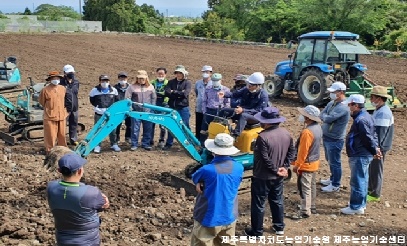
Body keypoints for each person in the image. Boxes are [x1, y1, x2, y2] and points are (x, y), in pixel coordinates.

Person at [244, 107, 295, 237]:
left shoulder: (263, 137)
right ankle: (279, 227)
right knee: (277, 200)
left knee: (258, 203)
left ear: (267, 122)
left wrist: (275, 169)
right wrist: (284, 167)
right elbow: (292, 152)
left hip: (262, 176)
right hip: (278, 176)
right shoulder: (286, 133)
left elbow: (264, 158)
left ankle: (257, 231)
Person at [191, 133, 243, 246]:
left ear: (213, 150)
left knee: (202, 242)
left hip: (209, 216)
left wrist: (199, 182)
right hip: (229, 214)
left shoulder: (207, 170)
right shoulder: (239, 167)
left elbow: (195, 177)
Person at [47, 152, 110, 245]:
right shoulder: (91, 192)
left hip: (62, 241)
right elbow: (102, 205)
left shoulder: (51, 187)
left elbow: (60, 186)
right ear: (80, 171)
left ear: (59, 170)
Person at [342, 94, 380, 215]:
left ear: (356, 105)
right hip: (362, 153)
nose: (349, 107)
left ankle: (356, 206)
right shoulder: (366, 116)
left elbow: (367, 137)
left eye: (350, 105)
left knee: (357, 180)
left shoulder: (361, 120)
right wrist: (375, 149)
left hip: (359, 154)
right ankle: (360, 204)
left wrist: (374, 150)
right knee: (363, 179)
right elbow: (373, 135)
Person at [292, 105, 322, 219]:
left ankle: (305, 210)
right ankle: (312, 206)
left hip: (306, 164)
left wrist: (297, 165)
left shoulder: (307, 132)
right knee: (311, 185)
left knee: (305, 187)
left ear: (308, 118)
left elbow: (302, 152)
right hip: (314, 162)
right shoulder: (318, 128)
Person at [319, 82, 350, 192]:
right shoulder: (332, 103)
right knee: (330, 160)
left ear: (341, 93)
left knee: (335, 162)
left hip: (335, 139)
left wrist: (325, 117)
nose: (331, 94)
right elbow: (322, 114)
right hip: (327, 136)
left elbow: (327, 118)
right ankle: (332, 179)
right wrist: (325, 116)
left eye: (333, 92)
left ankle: (335, 184)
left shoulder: (343, 107)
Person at [368, 86, 394, 202]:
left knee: (376, 169)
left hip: (380, 147)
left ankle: (375, 194)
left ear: (379, 98)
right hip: (378, 146)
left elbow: (380, 134)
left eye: (372, 97)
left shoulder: (383, 113)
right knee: (373, 169)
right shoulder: (379, 109)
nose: (370, 99)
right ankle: (370, 189)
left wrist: (376, 149)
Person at [223, 72, 269, 136]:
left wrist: (243, 110)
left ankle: (234, 136)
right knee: (224, 110)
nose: (249, 86)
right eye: (248, 84)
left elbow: (259, 110)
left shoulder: (263, 95)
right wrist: (224, 94)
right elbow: (234, 94)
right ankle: (221, 130)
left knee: (244, 116)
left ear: (258, 85)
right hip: (243, 111)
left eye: (251, 85)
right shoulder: (246, 89)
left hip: (255, 117)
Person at [125, 70, 156, 151]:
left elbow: (153, 98)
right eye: (139, 78)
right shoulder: (131, 87)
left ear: (146, 78)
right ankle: (134, 144)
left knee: (148, 128)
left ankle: (145, 144)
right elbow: (127, 99)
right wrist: (130, 109)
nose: (141, 80)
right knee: (135, 129)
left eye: (142, 78)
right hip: (136, 111)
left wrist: (152, 108)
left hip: (147, 111)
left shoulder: (150, 87)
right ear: (137, 78)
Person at [39, 71, 68, 155]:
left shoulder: (63, 89)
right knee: (50, 135)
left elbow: (66, 100)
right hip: (50, 116)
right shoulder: (45, 90)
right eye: (54, 78)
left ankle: (63, 151)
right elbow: (42, 102)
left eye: (57, 78)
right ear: (50, 79)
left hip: (61, 115)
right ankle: (50, 151)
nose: (56, 80)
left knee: (62, 134)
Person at [89, 75, 120, 153]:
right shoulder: (94, 90)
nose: (105, 83)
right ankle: (97, 145)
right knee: (98, 129)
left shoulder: (114, 90)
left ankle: (114, 144)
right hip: (99, 114)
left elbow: (116, 101)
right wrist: (98, 108)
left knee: (112, 129)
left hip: (111, 114)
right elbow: (92, 101)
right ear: (100, 81)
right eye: (103, 81)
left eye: (106, 81)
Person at [163, 65, 192, 150]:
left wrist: (174, 92)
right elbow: (167, 93)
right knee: (171, 125)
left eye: (180, 73)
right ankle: (169, 143)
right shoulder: (171, 82)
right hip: (172, 107)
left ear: (184, 74)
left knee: (185, 125)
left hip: (183, 108)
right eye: (177, 73)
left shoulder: (187, 82)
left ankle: (188, 143)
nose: (179, 74)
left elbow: (185, 94)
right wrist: (179, 93)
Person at [201, 73, 230, 137]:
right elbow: (204, 101)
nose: (215, 82)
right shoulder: (208, 89)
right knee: (204, 129)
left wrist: (224, 112)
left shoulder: (225, 90)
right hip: (209, 111)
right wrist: (204, 111)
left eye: (217, 81)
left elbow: (227, 103)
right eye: (213, 81)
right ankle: (202, 144)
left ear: (220, 80)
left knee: (218, 129)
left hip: (220, 112)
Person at [60, 64, 80, 146]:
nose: (71, 74)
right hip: (64, 107)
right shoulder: (61, 83)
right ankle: (62, 141)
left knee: (74, 124)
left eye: (72, 72)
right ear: (64, 73)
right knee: (62, 125)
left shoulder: (76, 82)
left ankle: (73, 139)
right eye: (69, 72)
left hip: (74, 107)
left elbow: (75, 93)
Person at [150, 67, 169, 148]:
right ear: (156, 74)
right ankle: (150, 140)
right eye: (159, 73)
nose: (160, 75)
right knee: (151, 122)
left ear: (165, 74)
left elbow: (168, 94)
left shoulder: (168, 83)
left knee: (162, 124)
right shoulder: (152, 82)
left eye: (162, 74)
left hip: (163, 105)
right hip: (153, 104)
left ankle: (161, 140)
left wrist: (164, 99)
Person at [195, 65, 213, 141]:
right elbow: (196, 92)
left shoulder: (213, 84)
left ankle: (205, 142)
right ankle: (197, 141)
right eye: (204, 72)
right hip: (199, 108)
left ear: (211, 73)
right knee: (198, 125)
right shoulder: (198, 83)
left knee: (207, 126)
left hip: (208, 109)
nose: (205, 73)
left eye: (207, 72)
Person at [113, 71, 132, 144]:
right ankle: (116, 138)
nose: (122, 79)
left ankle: (128, 137)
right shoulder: (114, 88)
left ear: (127, 78)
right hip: (118, 109)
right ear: (118, 78)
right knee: (117, 124)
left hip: (128, 108)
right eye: (121, 78)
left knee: (129, 124)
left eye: (124, 78)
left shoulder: (130, 87)